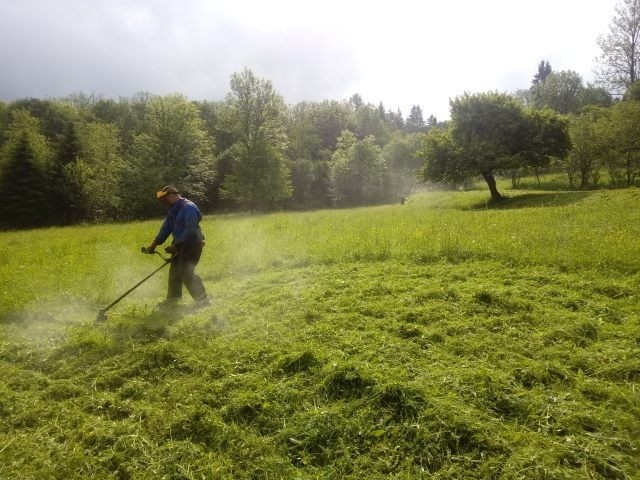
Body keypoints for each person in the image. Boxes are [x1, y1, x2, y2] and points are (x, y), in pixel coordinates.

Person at [143, 186, 210, 308]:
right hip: (180, 245)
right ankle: (173, 299)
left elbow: (191, 229)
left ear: (171, 195)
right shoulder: (173, 211)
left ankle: (203, 301)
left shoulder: (188, 207)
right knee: (174, 272)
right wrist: (153, 245)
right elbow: (166, 229)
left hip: (193, 244)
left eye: (165, 200)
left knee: (185, 271)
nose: (164, 203)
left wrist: (176, 245)